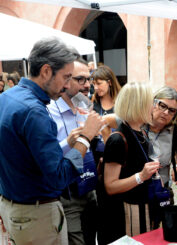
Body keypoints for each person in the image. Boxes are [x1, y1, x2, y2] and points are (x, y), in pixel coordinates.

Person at [0, 37, 105, 245]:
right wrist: (85, 138)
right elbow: (59, 176)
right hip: (36, 214)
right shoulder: (35, 111)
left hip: (15, 206)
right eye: (66, 77)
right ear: (46, 71)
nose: (67, 86)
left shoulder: (7, 98)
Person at [47, 57, 98, 245]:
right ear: (66, 81)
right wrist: (68, 142)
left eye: (89, 79)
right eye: (81, 80)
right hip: (67, 193)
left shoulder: (84, 106)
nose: (87, 85)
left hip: (89, 186)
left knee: (92, 239)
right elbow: (47, 157)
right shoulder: (48, 112)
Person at [102, 82, 160, 239]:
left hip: (146, 207)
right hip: (129, 214)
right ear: (139, 105)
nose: (154, 107)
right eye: (151, 102)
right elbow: (110, 186)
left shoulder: (141, 132)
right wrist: (141, 176)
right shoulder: (118, 140)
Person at [91, 65, 121, 166]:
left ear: (110, 82)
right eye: (94, 84)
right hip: (96, 154)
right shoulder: (93, 101)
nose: (95, 88)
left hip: (115, 155)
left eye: (99, 84)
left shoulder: (121, 103)